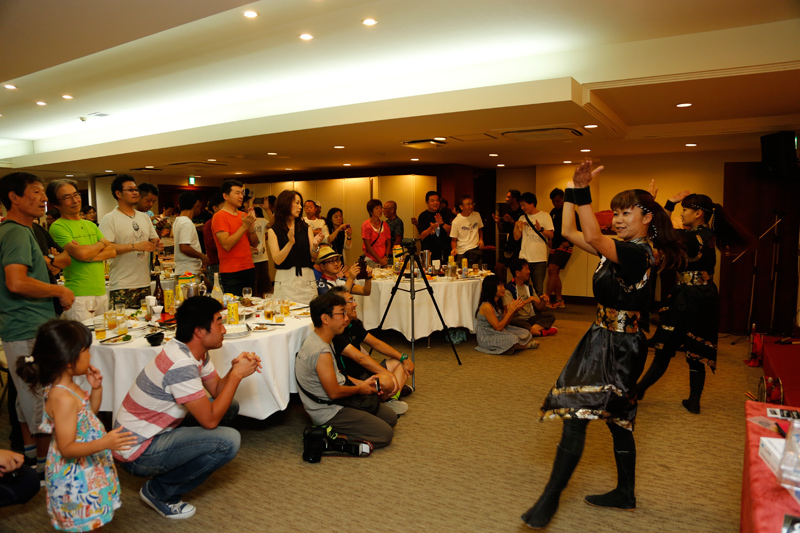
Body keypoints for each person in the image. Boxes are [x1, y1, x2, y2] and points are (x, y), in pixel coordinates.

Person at [521, 160, 684, 529]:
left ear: (647, 218)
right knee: (613, 418)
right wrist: (571, 189)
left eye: (627, 213)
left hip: (621, 346)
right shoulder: (621, 248)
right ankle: (625, 492)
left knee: (581, 415)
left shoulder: (639, 253)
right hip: (599, 337)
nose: (619, 219)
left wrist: (583, 192)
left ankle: (550, 499)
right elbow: (568, 231)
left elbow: (593, 236)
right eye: (617, 212)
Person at [113, 296, 262, 519]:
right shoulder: (181, 364)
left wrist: (234, 370)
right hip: (137, 451)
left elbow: (218, 391)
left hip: (155, 432)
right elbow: (210, 421)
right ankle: (160, 492)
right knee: (228, 441)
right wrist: (236, 377)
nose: (224, 329)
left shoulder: (191, 351)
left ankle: (178, 460)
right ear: (200, 331)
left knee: (229, 406)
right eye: (219, 323)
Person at [637, 190, 754, 414]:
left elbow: (658, 234)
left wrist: (668, 204)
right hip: (706, 296)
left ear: (698, 213)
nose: (682, 215)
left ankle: (638, 390)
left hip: (688, 297)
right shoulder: (709, 235)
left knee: (665, 348)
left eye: (685, 210)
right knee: (697, 350)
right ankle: (693, 402)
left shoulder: (691, 237)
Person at [16, 320, 136, 530]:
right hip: (76, 476)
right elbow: (67, 448)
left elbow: (88, 416)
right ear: (69, 360)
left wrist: (96, 389)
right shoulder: (62, 398)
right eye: (86, 351)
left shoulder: (68, 387)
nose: (90, 355)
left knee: (93, 523)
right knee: (85, 524)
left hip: (88, 466)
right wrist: (105, 442)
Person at [0, 172, 75, 482]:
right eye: (35, 192)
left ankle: (31, 463)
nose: (44, 198)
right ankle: (45, 472)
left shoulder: (20, 231)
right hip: (27, 326)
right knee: (41, 401)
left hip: (23, 327)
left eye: (44, 192)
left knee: (26, 399)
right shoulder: (16, 232)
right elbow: (16, 282)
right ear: (14, 198)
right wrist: (59, 291)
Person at [295, 291, 396, 448]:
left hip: (339, 398)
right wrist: (360, 389)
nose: (346, 318)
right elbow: (334, 392)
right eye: (341, 313)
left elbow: (338, 376)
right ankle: (326, 437)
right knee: (384, 434)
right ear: (325, 319)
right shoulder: (320, 351)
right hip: (328, 410)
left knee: (390, 417)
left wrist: (362, 384)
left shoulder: (325, 339)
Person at [330, 287, 413, 410]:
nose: (355, 304)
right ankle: (386, 396)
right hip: (353, 380)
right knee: (386, 381)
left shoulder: (353, 324)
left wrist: (403, 357)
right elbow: (361, 358)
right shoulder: (336, 333)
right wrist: (390, 375)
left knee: (400, 361)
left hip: (364, 372)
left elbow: (376, 344)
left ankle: (391, 398)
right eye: (351, 301)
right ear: (339, 307)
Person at [47, 178, 116, 322]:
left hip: (101, 292)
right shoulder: (58, 226)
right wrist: (100, 245)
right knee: (82, 336)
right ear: (56, 204)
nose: (75, 200)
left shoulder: (90, 225)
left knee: (105, 334)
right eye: (67, 197)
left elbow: (112, 251)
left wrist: (87, 255)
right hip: (78, 296)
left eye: (76, 195)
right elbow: (81, 253)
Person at [99, 174, 162, 308]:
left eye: (136, 189)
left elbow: (154, 240)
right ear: (118, 194)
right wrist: (135, 246)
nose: (135, 193)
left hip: (145, 282)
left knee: (146, 319)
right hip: (122, 284)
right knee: (123, 320)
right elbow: (106, 248)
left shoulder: (144, 217)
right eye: (130, 190)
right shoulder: (110, 219)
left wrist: (157, 245)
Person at [268, 190, 324, 304]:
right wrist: (290, 243)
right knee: (285, 313)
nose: (300, 207)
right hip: (285, 281)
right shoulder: (273, 230)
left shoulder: (306, 227)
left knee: (309, 312)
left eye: (300, 204)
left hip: (307, 280)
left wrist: (315, 245)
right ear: (286, 204)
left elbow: (314, 256)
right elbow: (277, 260)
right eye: (297, 203)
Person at [212, 179, 258, 296]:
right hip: (231, 271)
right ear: (226, 196)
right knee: (235, 304)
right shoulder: (220, 216)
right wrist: (244, 226)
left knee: (251, 303)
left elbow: (254, 243)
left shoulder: (243, 215)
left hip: (248, 267)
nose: (241, 196)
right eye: (237, 193)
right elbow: (226, 245)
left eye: (242, 193)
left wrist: (251, 227)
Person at [474, 275, 535, 354]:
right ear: (492, 288)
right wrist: (509, 312)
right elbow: (498, 327)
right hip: (488, 336)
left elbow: (506, 323)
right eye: (500, 286)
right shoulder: (486, 306)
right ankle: (524, 346)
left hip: (499, 330)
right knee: (512, 339)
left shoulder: (498, 302)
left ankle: (512, 347)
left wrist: (512, 311)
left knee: (525, 332)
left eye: (503, 285)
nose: (504, 288)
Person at [513, 191, 553, 297]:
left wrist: (541, 229)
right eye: (521, 205)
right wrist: (517, 226)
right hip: (524, 258)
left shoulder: (545, 216)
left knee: (538, 288)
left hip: (539, 259)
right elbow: (516, 237)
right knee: (522, 286)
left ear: (532, 203)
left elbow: (551, 235)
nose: (522, 208)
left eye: (524, 205)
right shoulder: (522, 218)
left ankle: (537, 306)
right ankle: (524, 306)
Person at [504, 259, 558, 337]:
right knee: (515, 323)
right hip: (518, 319)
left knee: (550, 316)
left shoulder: (528, 287)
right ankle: (540, 331)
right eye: (526, 269)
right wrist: (527, 301)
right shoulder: (508, 289)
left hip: (530, 318)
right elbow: (508, 311)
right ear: (517, 273)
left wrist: (543, 300)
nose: (529, 271)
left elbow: (539, 307)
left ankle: (531, 330)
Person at [547, 188, 579, 308]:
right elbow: (550, 228)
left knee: (552, 269)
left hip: (564, 245)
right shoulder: (553, 212)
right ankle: (559, 300)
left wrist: (569, 242)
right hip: (555, 245)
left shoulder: (571, 212)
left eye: (558, 201)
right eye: (553, 201)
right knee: (553, 272)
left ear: (563, 199)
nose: (556, 203)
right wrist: (549, 239)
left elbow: (579, 229)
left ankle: (546, 298)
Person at [173, 191, 208, 276]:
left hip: (183, 268)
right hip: (188, 270)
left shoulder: (178, 220)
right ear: (196, 205)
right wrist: (202, 256)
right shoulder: (186, 222)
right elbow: (184, 247)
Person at [493, 189, 524, 278]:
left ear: (514, 199)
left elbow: (523, 229)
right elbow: (502, 230)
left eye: (508, 197)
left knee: (517, 270)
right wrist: (498, 222)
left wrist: (512, 221)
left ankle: (515, 286)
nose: (506, 199)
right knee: (498, 267)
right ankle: (501, 284)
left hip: (520, 245)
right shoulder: (508, 212)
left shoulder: (522, 212)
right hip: (509, 244)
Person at [416, 191, 452, 264]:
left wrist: (442, 223)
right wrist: (431, 228)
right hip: (429, 252)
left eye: (437, 200)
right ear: (427, 203)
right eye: (432, 201)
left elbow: (451, 231)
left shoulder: (444, 213)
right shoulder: (423, 216)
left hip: (444, 251)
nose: (435, 203)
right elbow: (422, 236)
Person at [450, 195, 484, 266]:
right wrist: (453, 248)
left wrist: (481, 239)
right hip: (462, 251)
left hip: (475, 249)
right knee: (463, 272)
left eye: (472, 204)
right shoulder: (456, 221)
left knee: (477, 271)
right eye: (468, 204)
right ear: (461, 207)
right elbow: (453, 239)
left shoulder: (477, 215)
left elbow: (479, 229)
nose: (471, 206)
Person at [361, 199, 391, 268]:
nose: (380, 210)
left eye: (380, 208)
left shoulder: (385, 224)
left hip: (384, 259)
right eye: (377, 208)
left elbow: (388, 243)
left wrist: (386, 256)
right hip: (371, 259)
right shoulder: (366, 225)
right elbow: (368, 246)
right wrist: (379, 260)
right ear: (370, 211)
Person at [251, 206, 272, 296]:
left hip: (262, 257)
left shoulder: (261, 221)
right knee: (253, 287)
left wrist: (267, 209)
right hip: (250, 259)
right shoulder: (244, 222)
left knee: (264, 286)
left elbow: (273, 223)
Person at [203, 193, 225, 281]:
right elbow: (212, 245)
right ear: (215, 208)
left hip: (226, 264)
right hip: (216, 265)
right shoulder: (209, 224)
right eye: (224, 207)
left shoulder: (225, 222)